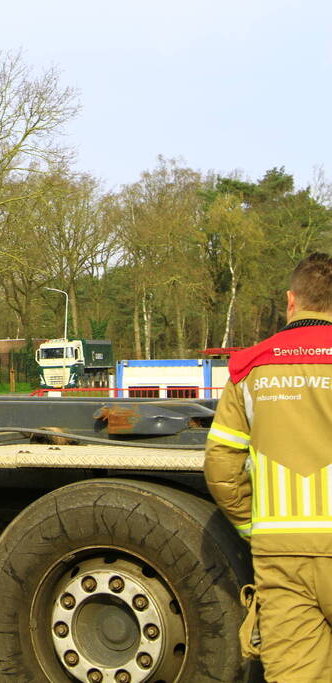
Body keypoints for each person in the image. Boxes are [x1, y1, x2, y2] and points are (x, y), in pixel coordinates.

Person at [205, 252, 332, 681]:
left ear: (291, 300)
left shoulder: (251, 367)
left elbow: (222, 466)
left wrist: (252, 526)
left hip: (282, 553)